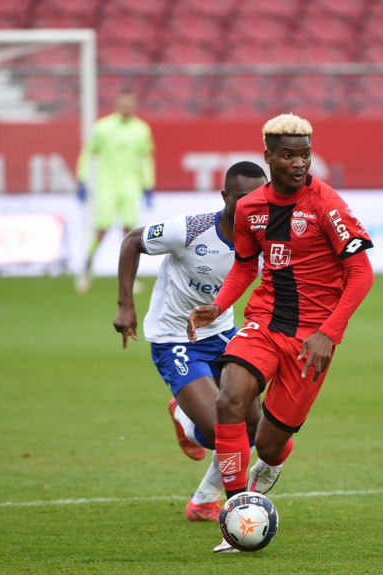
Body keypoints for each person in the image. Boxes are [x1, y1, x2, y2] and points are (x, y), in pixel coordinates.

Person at [187, 113, 374, 553]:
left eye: (305, 154)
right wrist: (219, 305)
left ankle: (271, 462)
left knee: (269, 445)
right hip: (265, 321)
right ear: (268, 157)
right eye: (288, 155)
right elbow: (244, 266)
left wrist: (328, 333)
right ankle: (236, 514)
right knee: (229, 399)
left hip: (313, 338)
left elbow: (361, 273)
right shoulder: (249, 208)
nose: (299, 163)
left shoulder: (327, 205)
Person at [113, 161, 266, 522]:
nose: (251, 206)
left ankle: (203, 502)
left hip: (223, 332)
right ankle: (181, 413)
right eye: (243, 198)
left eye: (259, 198)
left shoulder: (265, 235)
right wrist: (125, 305)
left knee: (252, 428)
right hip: (176, 337)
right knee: (217, 431)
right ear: (225, 196)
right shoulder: (191, 229)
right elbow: (132, 240)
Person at [76, 91, 156, 293]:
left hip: (130, 186)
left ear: (135, 106)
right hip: (107, 186)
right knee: (101, 229)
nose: (126, 106)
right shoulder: (102, 127)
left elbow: (145, 158)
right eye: (123, 103)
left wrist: (148, 185)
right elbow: (88, 153)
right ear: (116, 104)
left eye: (130, 103)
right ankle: (87, 269)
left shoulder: (141, 129)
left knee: (130, 233)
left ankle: (129, 278)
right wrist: (82, 179)